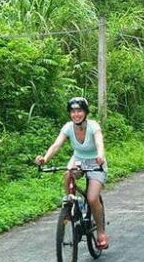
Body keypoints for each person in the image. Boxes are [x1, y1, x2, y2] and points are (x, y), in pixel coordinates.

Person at [35, 97, 109, 249]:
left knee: (93, 198)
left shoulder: (93, 126)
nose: (76, 115)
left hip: (96, 162)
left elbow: (99, 142)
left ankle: (101, 233)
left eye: (79, 111)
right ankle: (75, 204)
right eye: (73, 112)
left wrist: (100, 155)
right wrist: (45, 159)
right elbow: (56, 145)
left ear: (85, 112)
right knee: (68, 175)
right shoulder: (68, 127)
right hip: (78, 160)